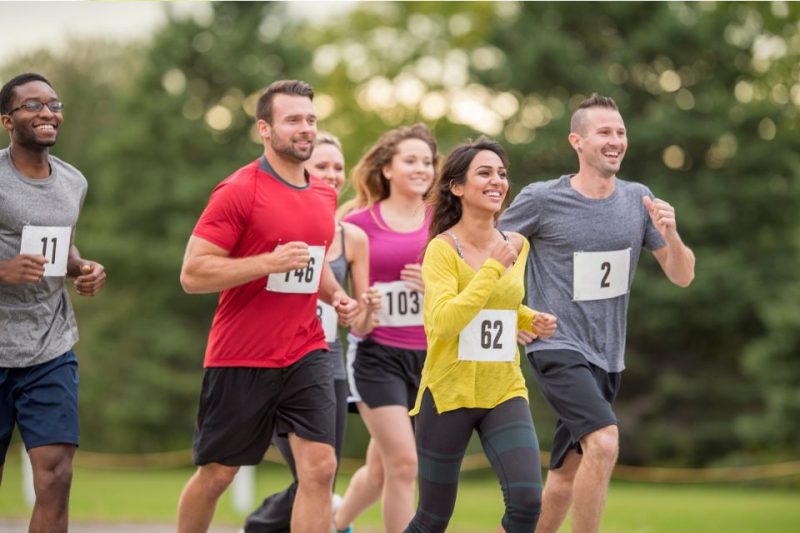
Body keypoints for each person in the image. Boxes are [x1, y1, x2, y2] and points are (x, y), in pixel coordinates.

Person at [499, 94, 695, 533]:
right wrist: (513, 316)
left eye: (621, 132)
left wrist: (671, 234)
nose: (616, 140)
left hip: (607, 357)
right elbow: (484, 257)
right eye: (604, 132)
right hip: (556, 345)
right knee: (605, 442)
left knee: (564, 479)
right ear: (577, 141)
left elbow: (682, 275)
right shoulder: (542, 199)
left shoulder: (639, 199)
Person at [176, 80, 358, 533]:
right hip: (242, 354)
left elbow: (312, 265)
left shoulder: (323, 194)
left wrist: (335, 294)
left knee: (319, 468)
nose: (305, 129)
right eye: (293, 120)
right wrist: (267, 263)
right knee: (218, 473)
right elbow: (193, 274)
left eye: (311, 120)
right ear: (265, 128)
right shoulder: (239, 190)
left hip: (306, 349)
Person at [404, 138, 557, 533]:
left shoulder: (516, 245)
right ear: (456, 186)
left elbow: (498, 305)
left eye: (502, 174)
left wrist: (528, 318)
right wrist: (491, 268)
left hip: (503, 388)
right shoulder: (442, 249)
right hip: (448, 393)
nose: (498, 181)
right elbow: (445, 320)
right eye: (485, 173)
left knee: (527, 503)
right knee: (432, 519)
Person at [243, 132, 379, 533]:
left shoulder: (353, 239)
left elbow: (359, 325)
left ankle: (262, 526)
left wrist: (364, 307)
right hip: (273, 362)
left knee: (322, 475)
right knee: (310, 475)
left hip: (326, 365)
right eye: (322, 166)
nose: (333, 175)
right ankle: (260, 525)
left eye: (339, 168)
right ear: (301, 169)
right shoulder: (276, 221)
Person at [0, 72, 106, 533]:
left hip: (50, 347)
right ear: (7, 120)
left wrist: (82, 268)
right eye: (32, 105)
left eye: (54, 104)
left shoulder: (73, 182)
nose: (47, 112)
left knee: (56, 473)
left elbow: (62, 247)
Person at [333, 124, 437, 533]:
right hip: (376, 354)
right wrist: (365, 307)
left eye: (427, 161)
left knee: (380, 471)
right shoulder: (357, 223)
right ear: (387, 169)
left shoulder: (445, 222)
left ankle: (334, 525)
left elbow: (468, 285)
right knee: (405, 463)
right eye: (410, 160)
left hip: (430, 359)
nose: (421, 168)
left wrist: (435, 287)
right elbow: (343, 298)